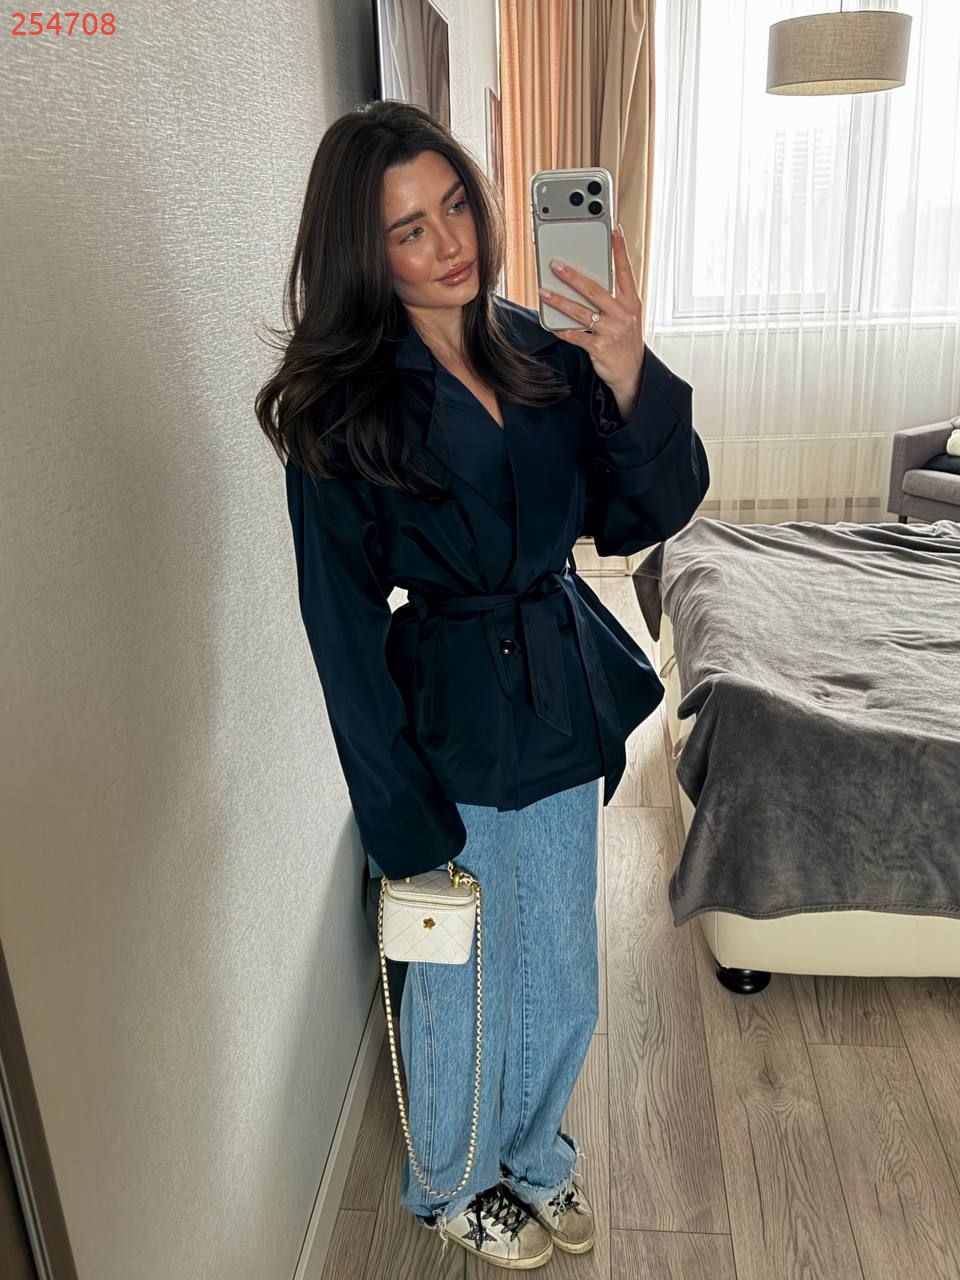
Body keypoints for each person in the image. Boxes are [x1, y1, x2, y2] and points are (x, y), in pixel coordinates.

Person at [255, 100, 709, 1269]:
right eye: (408, 228)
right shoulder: (345, 407)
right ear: (367, 252)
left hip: (558, 691)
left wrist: (627, 372)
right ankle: (452, 1183)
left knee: (562, 962)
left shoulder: (539, 348)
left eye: (454, 203)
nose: (449, 240)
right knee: (459, 970)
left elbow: (644, 512)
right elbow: (342, 633)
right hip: (448, 716)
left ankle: (536, 1151)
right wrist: (399, 816)